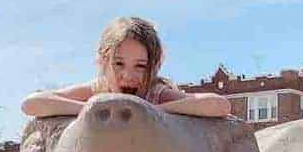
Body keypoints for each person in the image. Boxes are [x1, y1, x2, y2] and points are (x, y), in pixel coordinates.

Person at [20, 16, 230, 119]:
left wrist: (151, 112)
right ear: (103, 62)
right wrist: (95, 111)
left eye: (140, 66)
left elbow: (219, 105)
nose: (128, 75)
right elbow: (32, 104)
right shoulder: (98, 91)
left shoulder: (155, 93)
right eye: (118, 63)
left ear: (155, 66)